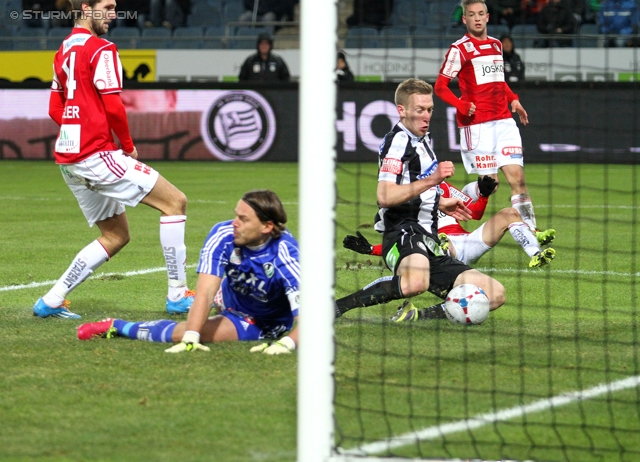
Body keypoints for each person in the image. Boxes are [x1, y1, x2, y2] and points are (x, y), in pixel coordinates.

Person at [35, 0, 194, 320]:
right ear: (85, 7)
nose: (113, 14)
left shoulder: (63, 51)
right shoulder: (101, 49)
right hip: (96, 154)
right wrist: (128, 145)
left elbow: (55, 109)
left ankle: (51, 300)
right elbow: (114, 105)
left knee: (116, 235)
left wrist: (78, 129)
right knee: (175, 202)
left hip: (69, 160)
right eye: (107, 7)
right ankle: (178, 294)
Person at [334, 78, 506, 320]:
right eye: (419, 110)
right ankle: (336, 307)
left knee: (494, 294)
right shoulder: (399, 142)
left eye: (429, 110)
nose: (426, 116)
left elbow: (410, 186)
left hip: (429, 240)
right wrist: (433, 179)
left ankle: (417, 317)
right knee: (416, 282)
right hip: (403, 234)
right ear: (402, 111)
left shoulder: (422, 140)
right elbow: (385, 196)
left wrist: (438, 202)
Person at [77, 190, 300, 356]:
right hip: (229, 296)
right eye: (236, 216)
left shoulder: (286, 256)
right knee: (190, 332)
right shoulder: (223, 235)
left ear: (267, 227)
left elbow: (311, 322)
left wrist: (286, 343)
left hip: (265, 321)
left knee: (192, 332)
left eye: (243, 219)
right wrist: (191, 336)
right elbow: (203, 293)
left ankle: (118, 325)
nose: (234, 223)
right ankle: (119, 325)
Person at [343, 176, 556, 321]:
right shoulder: (401, 195)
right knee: (436, 245)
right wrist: (372, 249)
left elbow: (473, 213)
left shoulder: (444, 187)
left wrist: (482, 194)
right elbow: (407, 245)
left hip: (464, 242)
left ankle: (535, 253)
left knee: (508, 215)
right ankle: (341, 306)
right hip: (440, 247)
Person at [435, 0, 544, 238]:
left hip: (504, 121)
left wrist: (513, 99)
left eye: (481, 13)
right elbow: (440, 86)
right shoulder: (459, 49)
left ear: (487, 17)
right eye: (471, 14)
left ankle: (531, 231)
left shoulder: (496, 45)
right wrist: (460, 103)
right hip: (477, 125)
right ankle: (453, 200)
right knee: (490, 185)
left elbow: (498, 80)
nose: (476, 18)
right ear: (465, 19)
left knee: (518, 179)